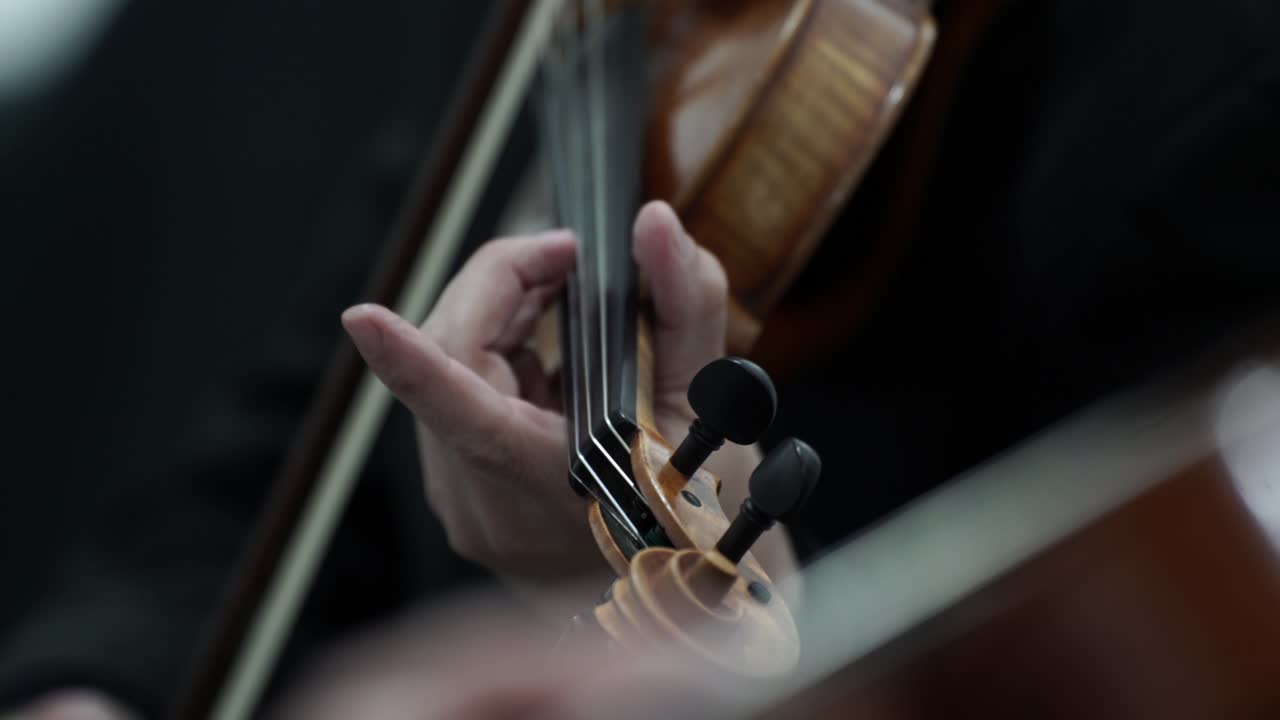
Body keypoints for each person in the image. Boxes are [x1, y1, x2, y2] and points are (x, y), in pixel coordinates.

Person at [7, 0, 1280, 717]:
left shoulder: (1209, 102)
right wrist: (93, 698)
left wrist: (726, 643)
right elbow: (265, 481)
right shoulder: (594, 26)